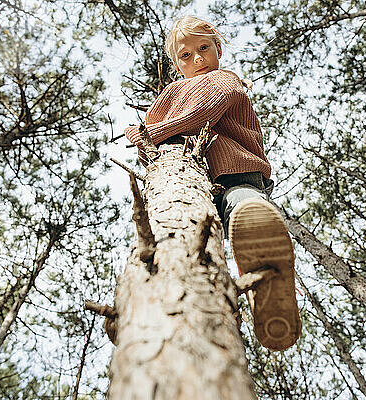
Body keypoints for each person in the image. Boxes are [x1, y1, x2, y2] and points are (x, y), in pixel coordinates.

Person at [124, 16, 301, 351]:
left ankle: (258, 220)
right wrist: (146, 145)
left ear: (218, 48)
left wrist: (155, 133)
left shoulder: (224, 79)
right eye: (186, 56)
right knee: (208, 245)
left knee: (241, 203)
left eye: (204, 48)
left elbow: (204, 112)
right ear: (177, 65)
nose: (198, 59)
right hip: (193, 186)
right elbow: (151, 140)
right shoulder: (172, 92)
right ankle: (253, 287)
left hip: (235, 168)